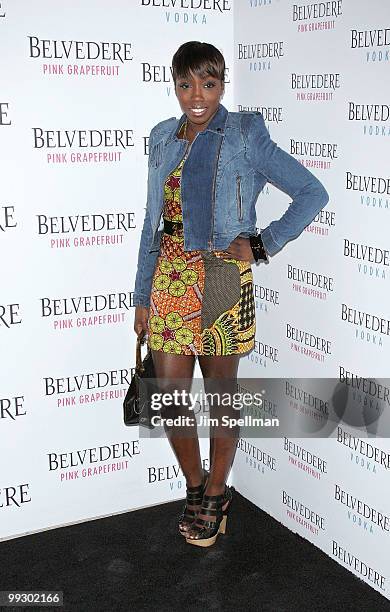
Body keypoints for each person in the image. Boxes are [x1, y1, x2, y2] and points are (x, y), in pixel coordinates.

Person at [133, 41, 328, 547]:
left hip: (222, 273)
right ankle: (194, 487)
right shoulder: (161, 137)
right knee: (171, 400)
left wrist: (261, 245)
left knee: (221, 398)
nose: (196, 95)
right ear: (174, 84)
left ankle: (218, 493)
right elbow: (152, 222)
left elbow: (312, 193)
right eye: (185, 84)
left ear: (222, 83)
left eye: (208, 83)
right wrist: (141, 294)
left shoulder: (245, 133)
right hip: (170, 276)